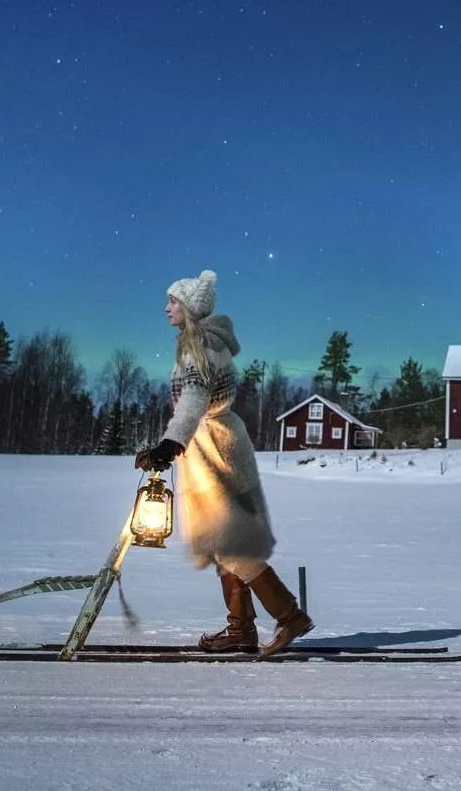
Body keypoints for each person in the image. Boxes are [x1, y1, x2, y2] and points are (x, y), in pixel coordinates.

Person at [135, 269, 313, 657]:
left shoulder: (200, 346)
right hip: (215, 445)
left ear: (189, 308)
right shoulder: (203, 343)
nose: (166, 308)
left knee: (232, 544)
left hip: (215, 449)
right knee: (224, 542)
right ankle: (240, 631)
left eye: (172, 302)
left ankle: (289, 616)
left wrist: (169, 444)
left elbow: (194, 401)